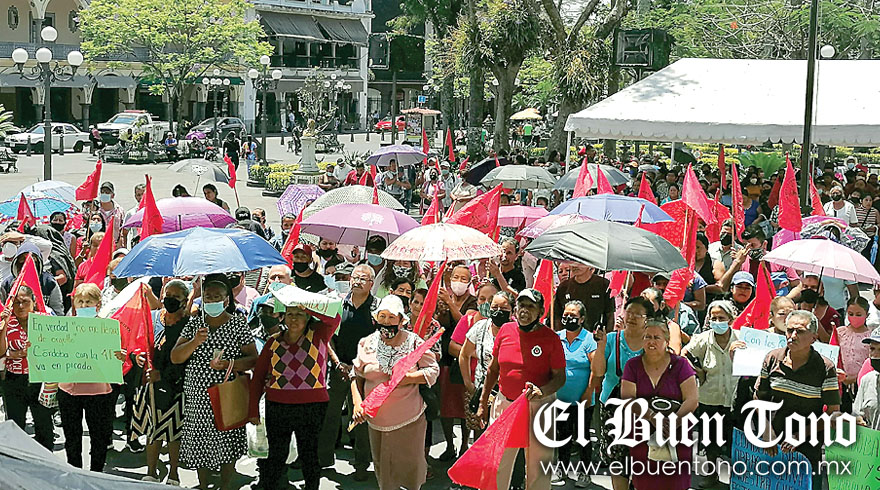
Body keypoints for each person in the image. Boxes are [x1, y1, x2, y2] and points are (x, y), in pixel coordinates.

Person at [170, 275, 258, 489]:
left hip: (228, 391)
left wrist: (230, 364)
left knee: (227, 439)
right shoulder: (195, 324)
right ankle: (203, 484)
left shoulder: (238, 324)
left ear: (226, 300)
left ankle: (226, 485)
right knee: (201, 440)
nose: (212, 300)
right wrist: (195, 341)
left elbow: (253, 359)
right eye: (208, 297)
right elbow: (175, 357)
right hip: (198, 393)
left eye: (217, 297)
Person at [249, 290, 341, 490]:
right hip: (277, 406)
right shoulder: (273, 342)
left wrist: (305, 304)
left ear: (308, 317)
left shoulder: (319, 335)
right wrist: (253, 410)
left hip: (312, 406)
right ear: (282, 317)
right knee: (276, 455)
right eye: (290, 313)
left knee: (309, 454)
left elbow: (335, 317)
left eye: (299, 314)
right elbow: (258, 377)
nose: (294, 318)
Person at [477, 289, 565, 490]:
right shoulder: (505, 331)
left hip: (539, 407)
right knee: (497, 463)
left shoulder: (550, 338)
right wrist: (483, 402)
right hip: (505, 405)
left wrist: (542, 391)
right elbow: (493, 370)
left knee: (538, 468)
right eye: (521, 305)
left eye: (530, 306)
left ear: (541, 311)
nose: (524, 310)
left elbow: (560, 377)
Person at [351, 295, 440, 490]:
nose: (386, 321)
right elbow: (356, 376)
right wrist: (358, 404)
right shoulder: (366, 343)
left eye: (392, 317)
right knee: (384, 472)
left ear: (401, 320)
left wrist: (409, 377)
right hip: (376, 421)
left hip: (409, 419)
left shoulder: (413, 342)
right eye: (382, 316)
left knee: (410, 470)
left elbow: (433, 370)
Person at [754, 310, 840, 490]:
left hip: (807, 448)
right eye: (789, 330)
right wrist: (767, 431)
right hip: (773, 444)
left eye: (800, 331)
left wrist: (799, 435)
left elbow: (833, 412)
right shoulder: (772, 358)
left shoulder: (825, 368)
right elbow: (759, 398)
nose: (792, 336)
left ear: (814, 338)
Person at [620, 317, 698, 490]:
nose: (651, 341)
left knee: (675, 483)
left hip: (677, 433)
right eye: (647, 337)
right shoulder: (632, 365)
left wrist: (672, 424)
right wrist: (652, 417)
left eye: (656, 337)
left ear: (666, 340)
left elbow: (692, 400)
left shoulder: (681, 365)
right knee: (645, 483)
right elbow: (628, 398)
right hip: (642, 433)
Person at [317, 264, 377, 479]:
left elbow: (379, 340)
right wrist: (337, 363)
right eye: (355, 277)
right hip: (339, 369)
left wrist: (359, 366)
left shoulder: (377, 308)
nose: (357, 282)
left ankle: (362, 464)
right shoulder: (338, 305)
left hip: (364, 372)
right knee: (329, 416)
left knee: (360, 417)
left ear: (371, 284)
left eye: (363, 278)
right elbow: (328, 336)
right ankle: (323, 459)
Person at [56, 284, 120, 472]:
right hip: (69, 390)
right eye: (81, 301)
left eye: (88, 302)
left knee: (99, 437)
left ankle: (96, 473)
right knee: (72, 436)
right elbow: (54, 351)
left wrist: (120, 355)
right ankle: (74, 472)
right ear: (75, 304)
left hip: (98, 390)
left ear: (97, 304)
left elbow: (113, 355)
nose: (84, 305)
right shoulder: (64, 327)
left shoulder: (107, 328)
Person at [592, 297, 653, 490]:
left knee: (642, 459)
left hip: (644, 409)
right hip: (612, 407)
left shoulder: (652, 342)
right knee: (617, 459)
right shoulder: (611, 339)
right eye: (629, 312)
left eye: (638, 314)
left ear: (647, 319)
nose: (632, 317)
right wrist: (601, 346)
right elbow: (598, 372)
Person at [133, 280, 190, 485]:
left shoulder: (189, 325)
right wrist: (138, 356)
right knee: (153, 429)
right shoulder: (153, 318)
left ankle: (173, 473)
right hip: (150, 383)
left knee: (174, 431)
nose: (170, 300)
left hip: (177, 385)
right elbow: (139, 342)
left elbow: (187, 357)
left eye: (176, 297)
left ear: (185, 301)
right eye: (168, 295)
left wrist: (164, 375)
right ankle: (151, 471)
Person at [680, 300, 739, 489]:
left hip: (734, 398)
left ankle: (738, 479)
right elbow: (683, 355)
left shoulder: (740, 339)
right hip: (710, 397)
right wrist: (697, 371)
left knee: (735, 441)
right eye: (713, 318)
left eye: (721, 318)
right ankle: (711, 474)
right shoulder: (703, 339)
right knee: (710, 439)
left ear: (730, 319)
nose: (717, 321)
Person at [0, 285, 54, 449]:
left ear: (34, 302)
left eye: (25, 301)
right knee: (15, 426)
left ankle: (46, 458)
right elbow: (1, 352)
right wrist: (14, 353)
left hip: (41, 380)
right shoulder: (6, 322)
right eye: (16, 303)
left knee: (44, 424)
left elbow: (58, 347)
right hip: (14, 380)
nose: (21, 306)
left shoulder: (46, 320)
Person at [435, 264, 477, 459]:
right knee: (446, 406)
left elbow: (465, 324)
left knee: (464, 406)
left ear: (469, 282)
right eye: (455, 277)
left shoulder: (472, 302)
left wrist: (450, 303)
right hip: (445, 358)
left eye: (463, 278)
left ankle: (464, 445)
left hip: (465, 360)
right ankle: (449, 445)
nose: (458, 281)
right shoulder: (444, 298)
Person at [555, 300, 598, 488]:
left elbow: (595, 370)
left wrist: (588, 393)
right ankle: (562, 468)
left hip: (583, 399)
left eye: (573, 315)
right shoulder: (557, 337)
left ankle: (584, 472)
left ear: (581, 319)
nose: (568, 318)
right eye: (566, 315)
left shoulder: (589, 340)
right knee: (562, 435)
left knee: (582, 437)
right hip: (560, 399)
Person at [0, 242, 64, 316]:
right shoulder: (7, 284)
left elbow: (57, 311)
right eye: (22, 260)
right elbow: (2, 309)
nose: (27, 264)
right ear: (17, 263)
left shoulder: (49, 283)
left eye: (32, 260)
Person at [554, 262, 614, 332]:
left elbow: (610, 315)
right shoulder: (563, 287)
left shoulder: (603, 284)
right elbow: (557, 316)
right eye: (572, 261)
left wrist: (607, 336)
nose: (575, 265)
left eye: (580, 262)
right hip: (569, 335)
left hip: (596, 334)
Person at [837, 297, 873, 412]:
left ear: (867, 315)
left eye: (858, 314)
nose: (854, 317)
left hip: (862, 382)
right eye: (851, 314)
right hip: (841, 381)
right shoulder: (840, 332)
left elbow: (872, 362)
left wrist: (855, 378)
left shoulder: (870, 337)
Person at [852, 326, 880, 429]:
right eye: (872, 349)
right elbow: (857, 413)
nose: (875, 354)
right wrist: (858, 420)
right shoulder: (867, 380)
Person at [97, 181, 126, 248]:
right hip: (98, 245)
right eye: (102, 192)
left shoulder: (119, 211)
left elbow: (123, 229)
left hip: (114, 245)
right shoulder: (95, 209)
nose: (104, 194)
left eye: (107, 192)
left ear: (112, 195)